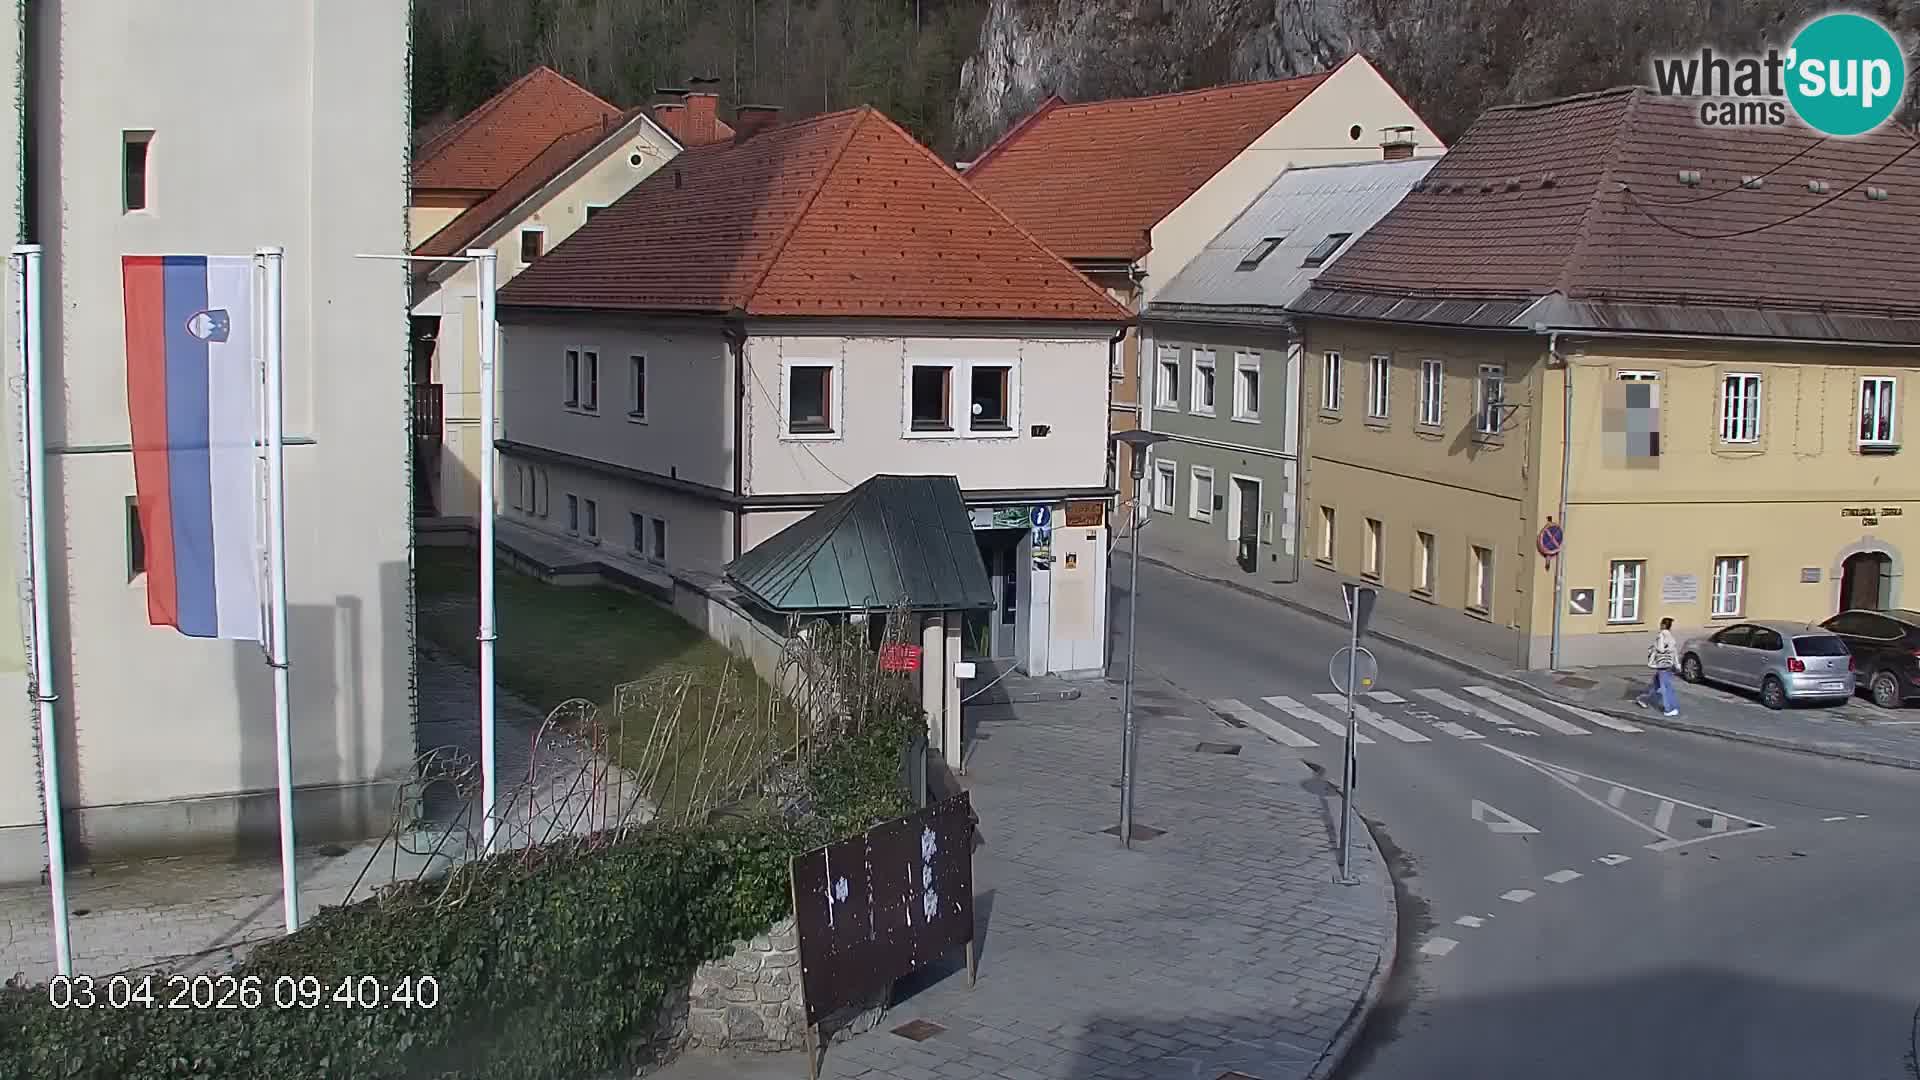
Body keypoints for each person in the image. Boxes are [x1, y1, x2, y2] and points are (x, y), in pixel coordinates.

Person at [1636, 617, 1680, 716]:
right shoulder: (1671, 637)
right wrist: (1677, 664)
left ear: (1663, 625)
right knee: (1664, 686)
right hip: (1668, 664)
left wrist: (1655, 648)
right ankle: (1667, 708)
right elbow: (1674, 652)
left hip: (1662, 664)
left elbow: (1660, 649)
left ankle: (1645, 700)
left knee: (1660, 686)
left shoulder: (1661, 636)